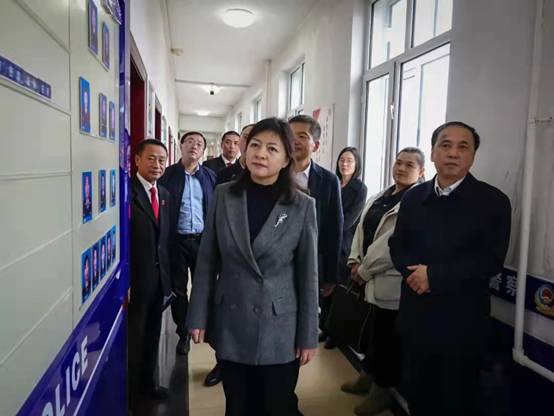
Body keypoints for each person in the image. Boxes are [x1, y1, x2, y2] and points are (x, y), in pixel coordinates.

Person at [187, 117, 319, 416]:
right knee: (237, 405)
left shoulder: (301, 205)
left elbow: (308, 275)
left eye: (272, 148)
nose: (261, 154)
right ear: (245, 151)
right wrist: (198, 315)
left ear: (286, 159)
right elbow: (207, 260)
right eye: (255, 145)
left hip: (280, 326)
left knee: (277, 405)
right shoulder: (224, 194)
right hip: (233, 320)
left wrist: (308, 334)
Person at [389, 122, 511, 416]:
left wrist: (434, 276)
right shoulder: (413, 198)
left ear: (473, 155)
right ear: (433, 153)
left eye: (462, 147)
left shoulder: (493, 202)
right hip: (417, 317)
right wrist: (415, 275)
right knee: (418, 395)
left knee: (458, 400)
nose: (453, 153)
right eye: (445, 145)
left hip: (463, 324)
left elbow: (490, 259)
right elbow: (397, 245)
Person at [343, 148, 425, 416]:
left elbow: (391, 246)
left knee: (389, 340)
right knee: (373, 335)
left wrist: (364, 270)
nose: (401, 168)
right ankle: (367, 376)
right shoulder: (383, 195)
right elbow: (361, 228)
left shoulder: (416, 203)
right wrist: (354, 259)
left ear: (421, 172)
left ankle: (382, 392)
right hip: (368, 274)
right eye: (398, 162)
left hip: (391, 281)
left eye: (409, 165)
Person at [158, 131, 216, 357]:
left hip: (203, 242)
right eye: (190, 141)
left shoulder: (210, 177)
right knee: (178, 289)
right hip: (176, 242)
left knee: (204, 286)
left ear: (203, 151)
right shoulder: (167, 175)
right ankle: (183, 333)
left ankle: (202, 326)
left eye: (199, 144)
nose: (194, 146)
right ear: (181, 146)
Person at [289, 115, 343, 342]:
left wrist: (330, 274)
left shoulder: (328, 180)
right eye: (290, 135)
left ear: (316, 145)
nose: (295, 141)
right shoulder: (273, 173)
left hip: (311, 261)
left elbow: (334, 228)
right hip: (275, 262)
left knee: (305, 319)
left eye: (302, 136)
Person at [129, 139, 172, 407]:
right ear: (137, 160)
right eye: (151, 158)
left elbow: (166, 241)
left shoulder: (164, 194)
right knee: (134, 338)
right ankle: (131, 394)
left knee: (153, 334)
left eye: (162, 160)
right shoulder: (126, 192)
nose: (157, 164)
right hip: (136, 281)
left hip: (159, 280)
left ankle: (149, 384)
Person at [324, 147, 368, 350]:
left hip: (344, 244)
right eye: (342, 160)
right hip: (326, 242)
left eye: (349, 160)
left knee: (339, 289)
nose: (345, 164)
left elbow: (350, 219)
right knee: (326, 285)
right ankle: (324, 326)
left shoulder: (360, 188)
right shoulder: (332, 182)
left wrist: (328, 225)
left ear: (356, 164)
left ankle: (335, 334)